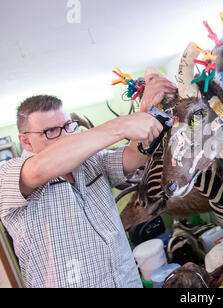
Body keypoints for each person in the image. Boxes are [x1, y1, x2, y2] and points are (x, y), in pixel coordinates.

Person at [0, 72, 177, 288]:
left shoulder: (91, 162)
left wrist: (146, 112)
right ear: (26, 141)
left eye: (67, 126)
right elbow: (38, 170)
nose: (65, 135)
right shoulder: (7, 174)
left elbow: (133, 155)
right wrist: (122, 125)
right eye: (52, 131)